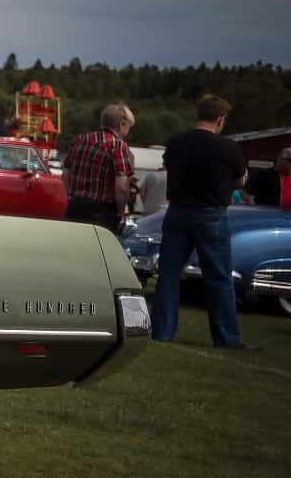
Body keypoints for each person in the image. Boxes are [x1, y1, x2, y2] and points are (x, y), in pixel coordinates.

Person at [152, 94, 252, 350]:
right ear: (220, 119)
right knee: (218, 278)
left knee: (169, 275)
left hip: (176, 212)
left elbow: (168, 166)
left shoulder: (176, 142)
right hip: (211, 214)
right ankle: (227, 339)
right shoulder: (227, 147)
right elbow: (241, 181)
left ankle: (162, 332)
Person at [62, 103, 136, 233]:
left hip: (73, 207)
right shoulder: (118, 145)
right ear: (122, 124)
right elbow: (122, 187)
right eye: (129, 127)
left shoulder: (79, 140)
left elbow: (66, 173)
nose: (128, 132)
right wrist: (121, 213)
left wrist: (68, 197)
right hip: (101, 212)